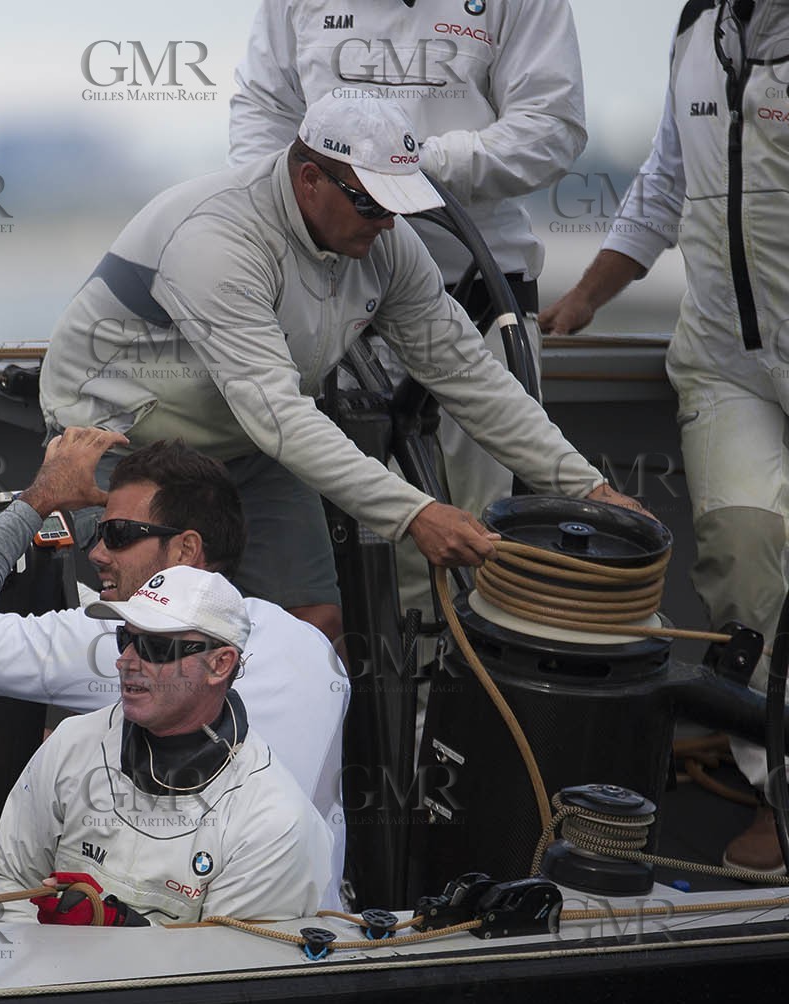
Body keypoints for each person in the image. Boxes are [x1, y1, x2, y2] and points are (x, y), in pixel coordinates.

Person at [38, 93, 644, 643]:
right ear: (309, 180)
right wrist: (415, 514)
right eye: (372, 203)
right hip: (120, 445)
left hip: (244, 441)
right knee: (136, 632)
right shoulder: (217, 239)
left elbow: (467, 372)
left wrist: (586, 486)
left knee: (314, 627)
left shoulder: (383, 241)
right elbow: (277, 414)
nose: (387, 223)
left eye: (398, 206)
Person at [540, 0, 789, 872]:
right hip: (726, 361)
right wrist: (586, 297)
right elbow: (664, 182)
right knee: (743, 561)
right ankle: (780, 795)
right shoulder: (696, 28)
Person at [228, 0, 587, 523]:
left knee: (496, 532)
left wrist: (402, 168)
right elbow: (263, 119)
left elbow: (551, 127)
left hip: (478, 299)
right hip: (336, 300)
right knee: (362, 536)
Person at [0, 429, 348, 838]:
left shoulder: (116, 637)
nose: (97, 552)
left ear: (186, 549)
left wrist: (38, 500)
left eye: (118, 534)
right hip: (295, 896)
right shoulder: (310, 643)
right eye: (98, 532)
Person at [0, 566, 334, 925]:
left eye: (155, 647)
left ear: (220, 664)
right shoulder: (71, 743)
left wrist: (121, 932)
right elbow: (6, 880)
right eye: (125, 639)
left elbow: (230, 960)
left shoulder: (274, 821)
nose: (125, 661)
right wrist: (50, 951)